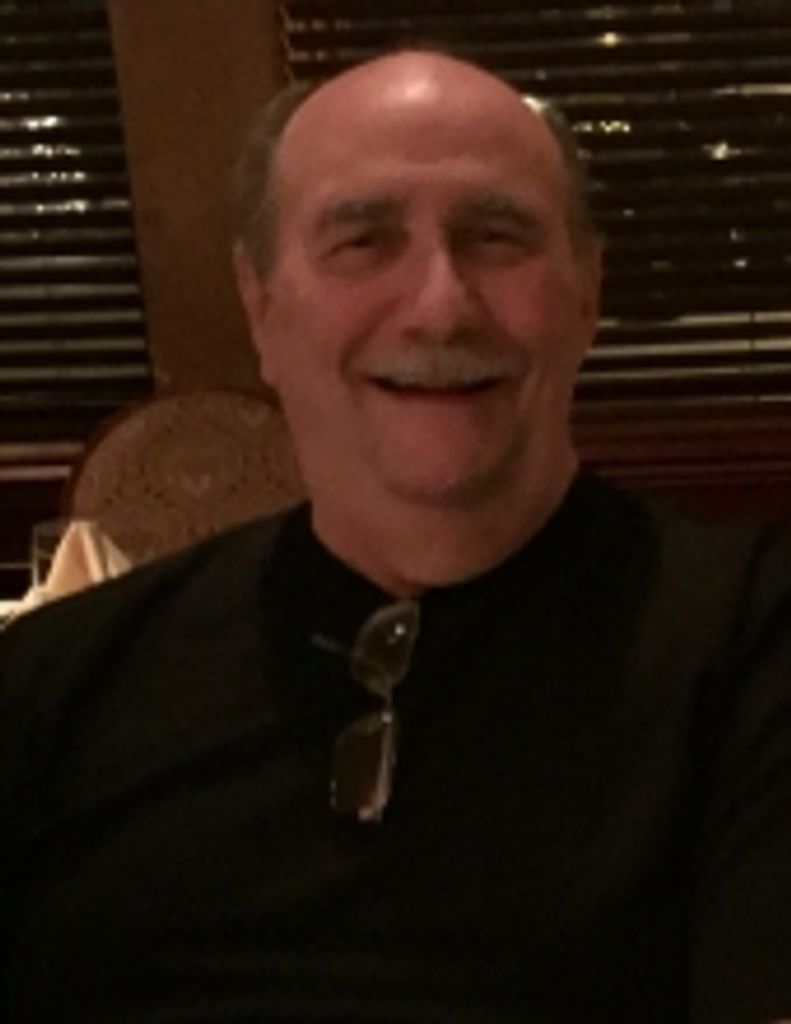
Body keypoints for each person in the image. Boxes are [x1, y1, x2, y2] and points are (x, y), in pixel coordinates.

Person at [2, 49, 791, 1023]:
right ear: (260, 303)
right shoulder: (57, 680)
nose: (438, 306)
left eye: (496, 236)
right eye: (362, 241)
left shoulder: (752, 645)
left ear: (587, 293)